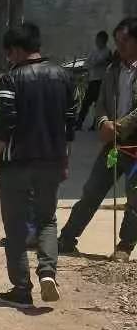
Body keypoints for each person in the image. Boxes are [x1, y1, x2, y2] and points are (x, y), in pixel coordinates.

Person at [0, 23, 75, 306]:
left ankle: (22, 288)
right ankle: (48, 272)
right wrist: (64, 160)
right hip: (52, 161)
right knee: (47, 220)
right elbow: (70, 125)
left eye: (9, 53)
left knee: (15, 227)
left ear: (17, 50)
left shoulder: (11, 79)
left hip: (17, 164)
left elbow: (5, 125)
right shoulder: (64, 77)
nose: (8, 59)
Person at [58, 16, 137, 262]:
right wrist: (103, 122)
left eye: (124, 41)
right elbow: (101, 101)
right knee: (92, 190)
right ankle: (67, 238)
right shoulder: (114, 69)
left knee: (134, 198)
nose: (120, 46)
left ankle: (124, 246)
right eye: (117, 41)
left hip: (133, 144)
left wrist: (119, 127)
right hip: (112, 143)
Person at [76, 30, 112, 131]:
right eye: (97, 39)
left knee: (98, 104)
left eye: (99, 40)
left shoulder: (107, 52)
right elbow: (88, 63)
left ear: (104, 41)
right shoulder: (94, 51)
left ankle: (95, 125)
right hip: (93, 80)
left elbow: (100, 62)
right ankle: (79, 123)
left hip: (101, 81)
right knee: (86, 102)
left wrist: (94, 63)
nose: (97, 41)